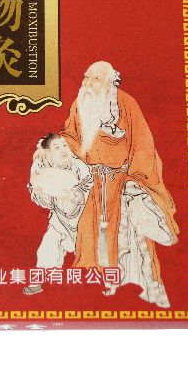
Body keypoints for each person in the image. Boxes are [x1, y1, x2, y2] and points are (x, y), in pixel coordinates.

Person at [59, 61, 178, 306]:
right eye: (86, 78)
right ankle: (93, 290)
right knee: (90, 236)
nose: (87, 84)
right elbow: (70, 137)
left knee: (126, 240)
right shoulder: (80, 103)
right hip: (92, 184)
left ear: (110, 82)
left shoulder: (126, 104)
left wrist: (134, 180)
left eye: (94, 80)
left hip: (122, 185)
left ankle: (127, 288)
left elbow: (143, 147)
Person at [22, 133, 92, 295]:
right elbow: (42, 198)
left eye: (65, 146)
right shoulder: (42, 168)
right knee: (48, 246)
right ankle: (36, 282)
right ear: (48, 152)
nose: (63, 150)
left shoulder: (79, 166)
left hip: (84, 217)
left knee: (95, 251)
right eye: (57, 147)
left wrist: (74, 195)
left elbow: (89, 189)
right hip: (59, 218)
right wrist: (43, 194)